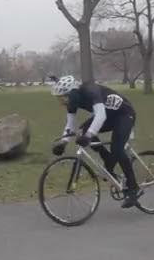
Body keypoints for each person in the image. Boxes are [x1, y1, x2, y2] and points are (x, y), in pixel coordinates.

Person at [50, 75, 140, 208]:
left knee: (117, 149)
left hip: (124, 115)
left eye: (63, 98)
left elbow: (100, 116)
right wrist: (63, 142)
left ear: (72, 93)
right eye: (59, 98)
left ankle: (133, 189)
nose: (62, 102)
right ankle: (107, 158)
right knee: (82, 131)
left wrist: (89, 136)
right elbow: (70, 124)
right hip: (109, 116)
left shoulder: (90, 91)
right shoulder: (73, 101)